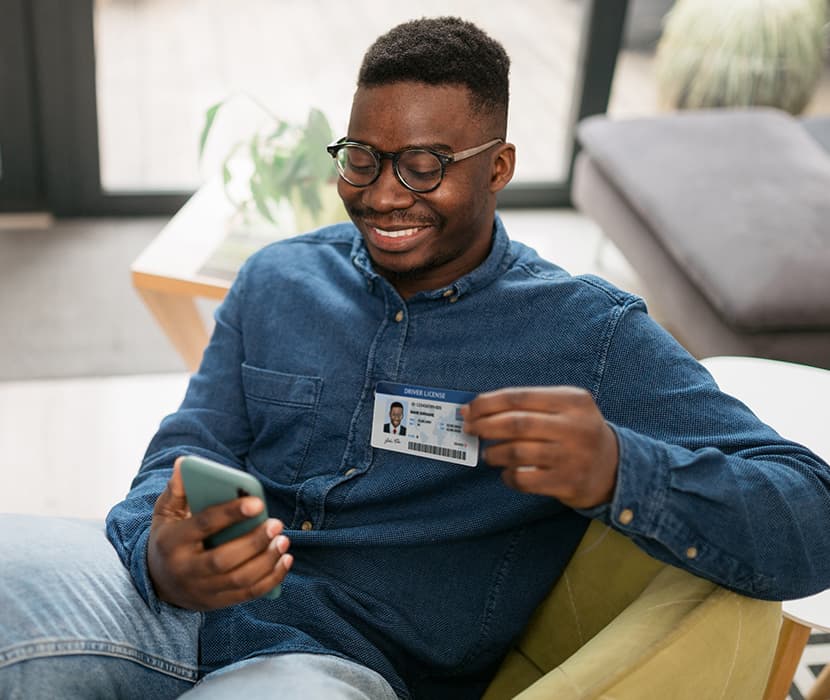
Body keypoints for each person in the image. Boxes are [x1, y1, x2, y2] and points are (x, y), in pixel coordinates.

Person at [2, 15, 830, 700]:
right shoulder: (279, 278)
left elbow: (809, 509)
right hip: (170, 608)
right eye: (362, 158)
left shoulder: (587, 334)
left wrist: (620, 467)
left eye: (425, 165)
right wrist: (158, 548)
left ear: (498, 167)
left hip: (334, 665)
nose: (385, 193)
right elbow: (191, 443)